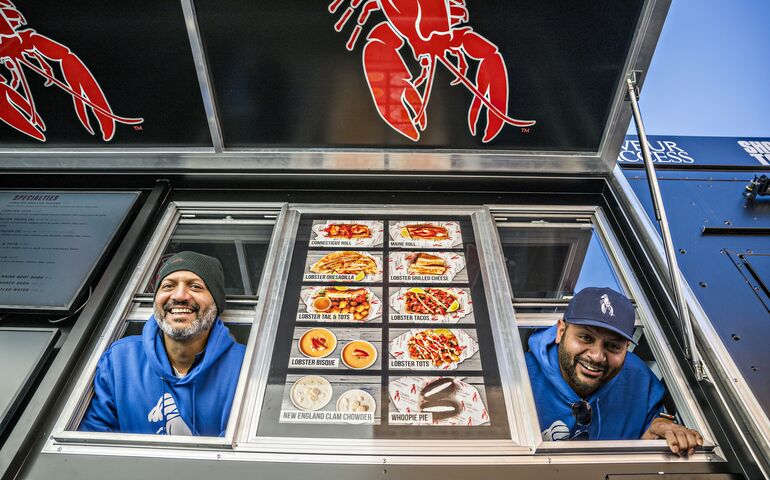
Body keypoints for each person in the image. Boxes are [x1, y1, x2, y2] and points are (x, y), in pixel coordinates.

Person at [80, 251, 245, 436]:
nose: (180, 295)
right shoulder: (120, 361)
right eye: (168, 286)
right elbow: (95, 438)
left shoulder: (245, 366)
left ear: (216, 303)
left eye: (195, 286)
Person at [526, 287, 703, 456]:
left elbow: (654, 421)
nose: (597, 356)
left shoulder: (638, 379)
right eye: (585, 338)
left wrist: (662, 426)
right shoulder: (522, 378)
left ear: (626, 347)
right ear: (561, 331)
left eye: (613, 346)